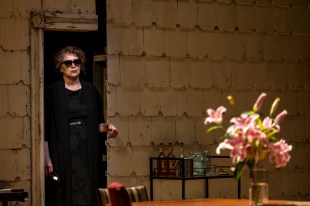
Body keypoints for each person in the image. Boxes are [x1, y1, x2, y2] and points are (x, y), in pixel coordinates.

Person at [44, 45, 118, 206]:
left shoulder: (90, 90)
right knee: (64, 193)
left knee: (88, 191)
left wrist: (108, 127)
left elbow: (96, 124)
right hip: (62, 150)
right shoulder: (53, 91)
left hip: (87, 151)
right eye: (68, 63)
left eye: (76, 62)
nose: (73, 66)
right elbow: (45, 128)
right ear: (60, 68)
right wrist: (47, 158)